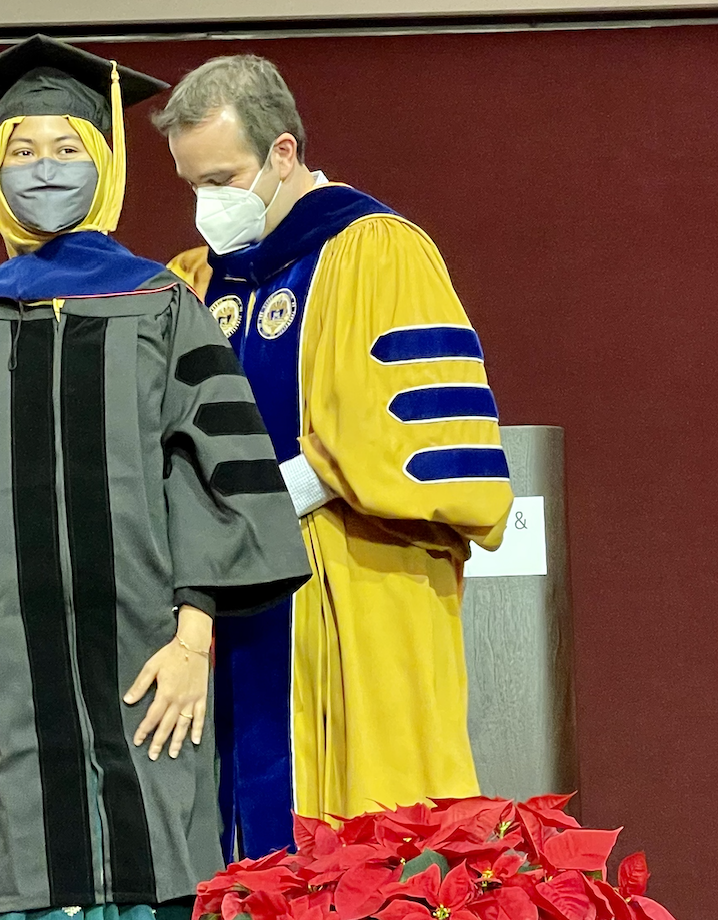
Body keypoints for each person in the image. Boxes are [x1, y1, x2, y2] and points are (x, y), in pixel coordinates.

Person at [0, 36, 310, 920]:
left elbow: (214, 480)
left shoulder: (162, 307)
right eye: (21, 151)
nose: (42, 169)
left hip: (146, 668)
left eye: (64, 148)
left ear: (104, 164)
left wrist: (194, 643)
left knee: (152, 868)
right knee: (13, 868)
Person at [152, 55, 515, 859]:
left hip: (354, 578)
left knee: (365, 835)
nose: (208, 203)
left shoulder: (377, 249)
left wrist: (295, 482)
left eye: (223, 179)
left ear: (282, 152)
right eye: (192, 184)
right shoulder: (198, 281)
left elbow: (422, 430)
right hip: (234, 591)